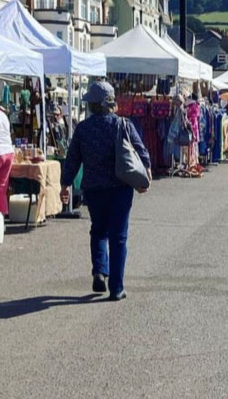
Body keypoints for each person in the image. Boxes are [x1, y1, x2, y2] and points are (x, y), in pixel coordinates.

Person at [61, 80, 150, 301]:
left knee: (98, 231)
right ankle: (117, 287)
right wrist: (145, 176)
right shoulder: (123, 124)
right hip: (120, 188)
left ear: (92, 105)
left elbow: (72, 160)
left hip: (94, 189)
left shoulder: (83, 128)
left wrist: (64, 184)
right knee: (118, 237)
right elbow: (142, 152)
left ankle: (100, 270)